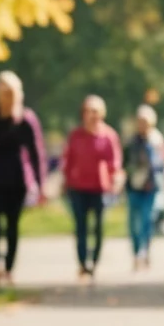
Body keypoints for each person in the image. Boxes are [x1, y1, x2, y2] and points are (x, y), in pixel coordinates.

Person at [0, 70, 46, 286]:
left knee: (12, 225)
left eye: (11, 92)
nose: (7, 97)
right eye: (3, 92)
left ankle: (10, 268)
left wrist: (40, 185)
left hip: (17, 180)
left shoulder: (26, 120)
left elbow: (36, 153)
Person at [63, 95, 122, 280]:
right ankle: (82, 263)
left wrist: (115, 180)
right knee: (80, 227)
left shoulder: (109, 136)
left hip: (99, 188)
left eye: (95, 111)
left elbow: (115, 163)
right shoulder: (76, 135)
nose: (91, 115)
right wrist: (64, 180)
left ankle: (94, 263)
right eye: (88, 111)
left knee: (98, 227)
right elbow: (68, 160)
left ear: (102, 113)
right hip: (78, 187)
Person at [125, 104, 164, 268]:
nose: (142, 124)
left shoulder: (157, 141)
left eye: (145, 121)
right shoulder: (131, 142)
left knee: (146, 221)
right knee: (133, 224)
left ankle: (144, 252)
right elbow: (125, 162)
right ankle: (137, 252)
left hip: (151, 188)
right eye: (140, 121)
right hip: (134, 187)